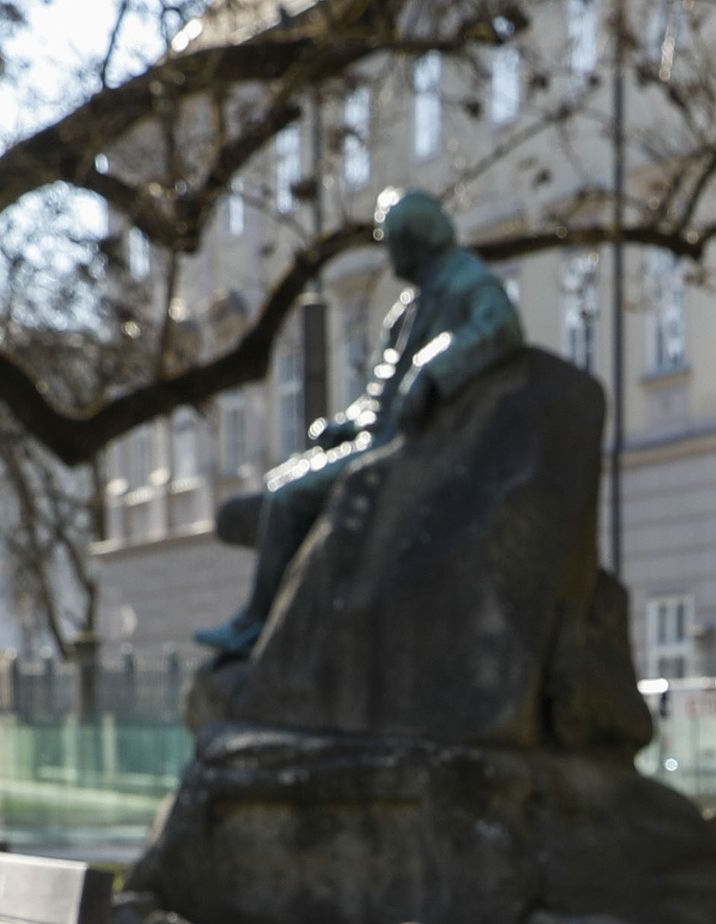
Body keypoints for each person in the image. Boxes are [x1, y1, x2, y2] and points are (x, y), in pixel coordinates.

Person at [194, 190, 523, 660]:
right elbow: (378, 397)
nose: (388, 255)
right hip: (380, 438)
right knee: (280, 484)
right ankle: (289, 626)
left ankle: (257, 625)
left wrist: (434, 368)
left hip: (415, 449)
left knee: (288, 501)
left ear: (417, 240)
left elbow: (501, 326)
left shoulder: (465, 282)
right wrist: (345, 424)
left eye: (392, 242)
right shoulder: (411, 305)